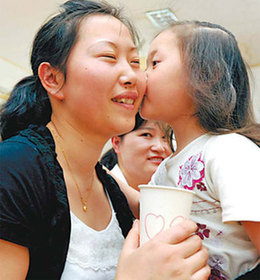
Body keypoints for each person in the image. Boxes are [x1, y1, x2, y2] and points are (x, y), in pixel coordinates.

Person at [0, 1, 210, 279]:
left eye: (136, 62)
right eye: (109, 57)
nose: (132, 76)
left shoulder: (112, 191)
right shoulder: (13, 168)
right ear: (52, 78)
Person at [140, 20, 260, 279]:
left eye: (155, 63)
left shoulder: (229, 151)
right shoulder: (166, 167)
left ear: (207, 75)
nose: (142, 75)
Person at [100, 112, 173, 191]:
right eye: (146, 135)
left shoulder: (174, 193)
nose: (160, 147)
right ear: (117, 143)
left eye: (165, 137)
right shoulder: (99, 193)